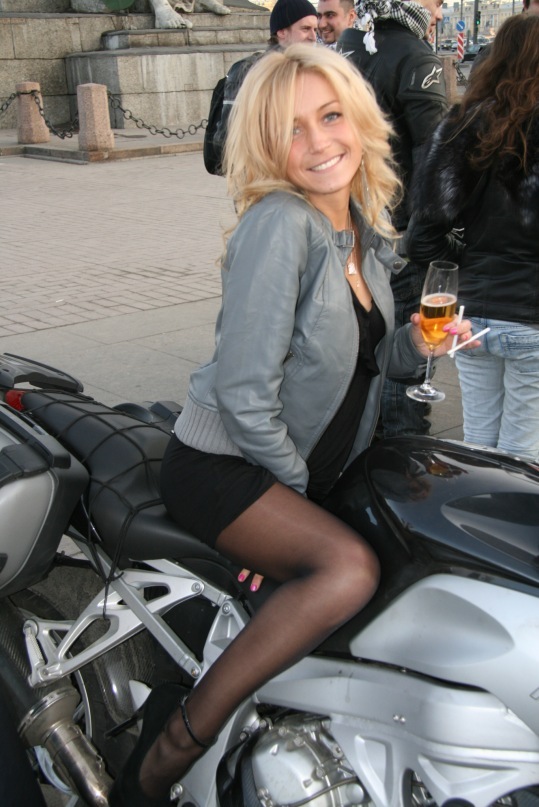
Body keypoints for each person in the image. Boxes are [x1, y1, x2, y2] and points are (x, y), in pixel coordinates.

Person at [109, 44, 476, 807]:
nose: (317, 142)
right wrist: (297, 499)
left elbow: (373, 363)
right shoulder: (281, 223)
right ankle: (172, 744)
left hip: (296, 463)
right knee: (347, 568)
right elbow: (244, 393)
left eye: (330, 116)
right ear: (266, 146)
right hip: (228, 464)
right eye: (291, 129)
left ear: (359, 118)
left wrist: (419, 344)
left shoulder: (359, 229)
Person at [407, 13, 539, 461]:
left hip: (471, 316)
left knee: (478, 445)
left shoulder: (462, 126)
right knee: (522, 456)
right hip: (532, 319)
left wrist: (468, 260)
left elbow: (421, 239)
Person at [337, 0, 448, 438]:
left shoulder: (346, 45)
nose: (438, 13)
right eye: (437, 3)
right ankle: (400, 456)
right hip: (397, 230)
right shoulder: (415, 55)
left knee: (358, 343)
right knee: (404, 353)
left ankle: (363, 442)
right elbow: (434, 162)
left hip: (346, 224)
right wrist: (430, 236)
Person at [204, 0, 317, 175]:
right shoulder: (248, 71)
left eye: (315, 29)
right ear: (281, 32)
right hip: (263, 180)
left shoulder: (310, 72)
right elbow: (226, 140)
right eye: (305, 29)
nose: (313, 36)